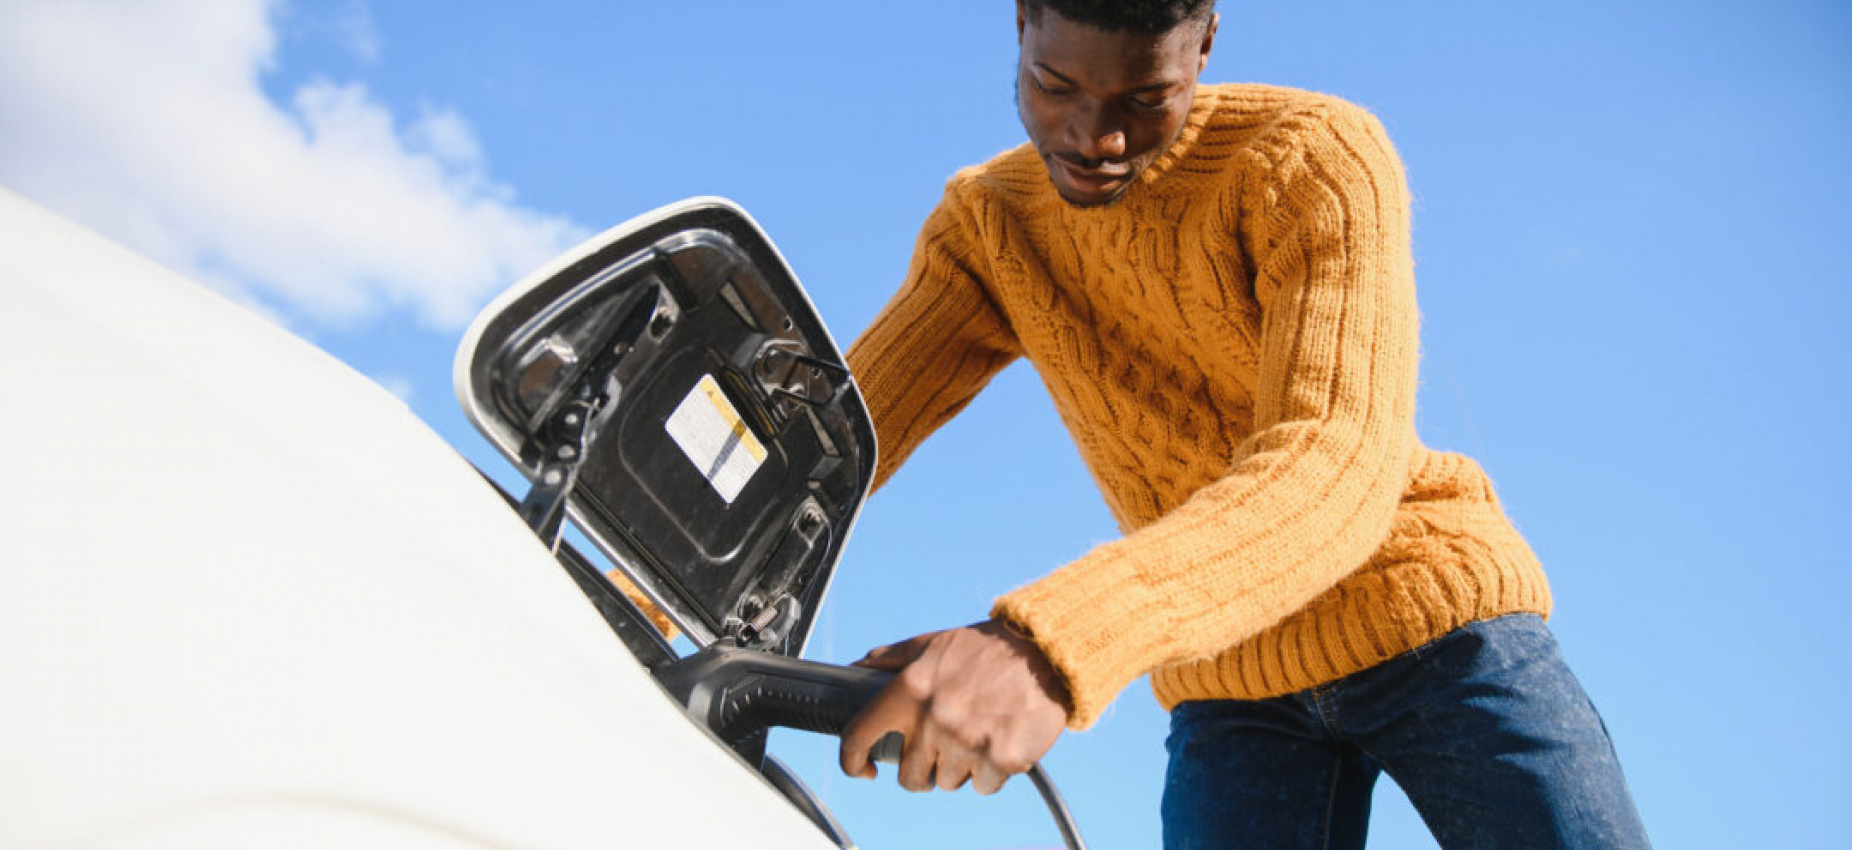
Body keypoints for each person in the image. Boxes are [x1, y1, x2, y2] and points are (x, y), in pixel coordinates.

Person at [835, 1, 1652, 847]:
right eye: (1055, 85)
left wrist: (1048, 645)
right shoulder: (989, 226)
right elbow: (830, 439)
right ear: (1021, 24)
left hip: (1432, 622)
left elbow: (1331, 460)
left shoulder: (1314, 158)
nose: (1095, 136)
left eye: (1144, 100)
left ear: (1206, 45)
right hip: (1231, 681)